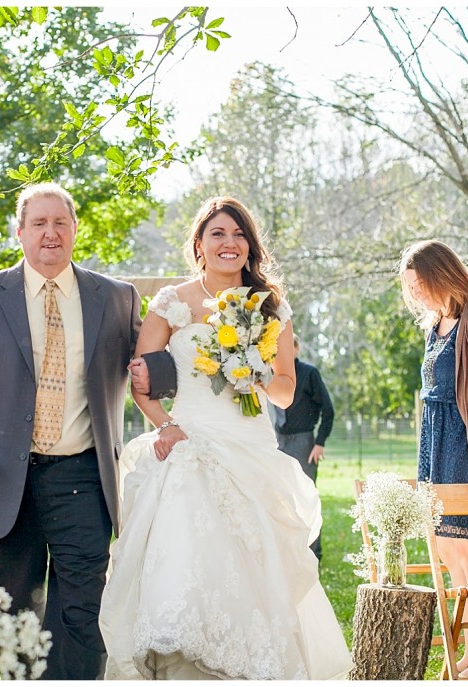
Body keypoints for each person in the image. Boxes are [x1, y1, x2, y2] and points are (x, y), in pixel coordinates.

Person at [99, 197, 352, 680]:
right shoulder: (171, 302)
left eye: (238, 235)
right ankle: (184, 662)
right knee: (187, 553)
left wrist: (252, 370)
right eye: (217, 234)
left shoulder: (270, 305)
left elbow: (283, 392)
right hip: (190, 443)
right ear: (199, 244)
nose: (229, 243)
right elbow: (140, 382)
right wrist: (165, 426)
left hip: (250, 445)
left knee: (258, 562)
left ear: (249, 246)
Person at [0, 182, 142, 679]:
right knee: (16, 610)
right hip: (3, 477)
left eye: (61, 222)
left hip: (84, 477)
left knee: (81, 608)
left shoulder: (115, 298)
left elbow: (151, 364)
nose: (51, 233)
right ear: (19, 232)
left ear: (74, 230)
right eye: (39, 223)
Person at [400, 239, 468, 678]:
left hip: (464, 441)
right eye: (411, 288)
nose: (416, 294)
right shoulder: (435, 323)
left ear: (442, 274)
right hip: (434, 445)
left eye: (420, 284)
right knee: (449, 550)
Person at [270, 334, 334, 563]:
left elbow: (328, 410)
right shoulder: (269, 374)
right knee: (280, 498)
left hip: (304, 442)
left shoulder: (309, 373)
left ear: (295, 349)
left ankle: (312, 552)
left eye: (288, 347)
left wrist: (320, 443)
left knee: (305, 495)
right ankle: (289, 550)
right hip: (278, 441)